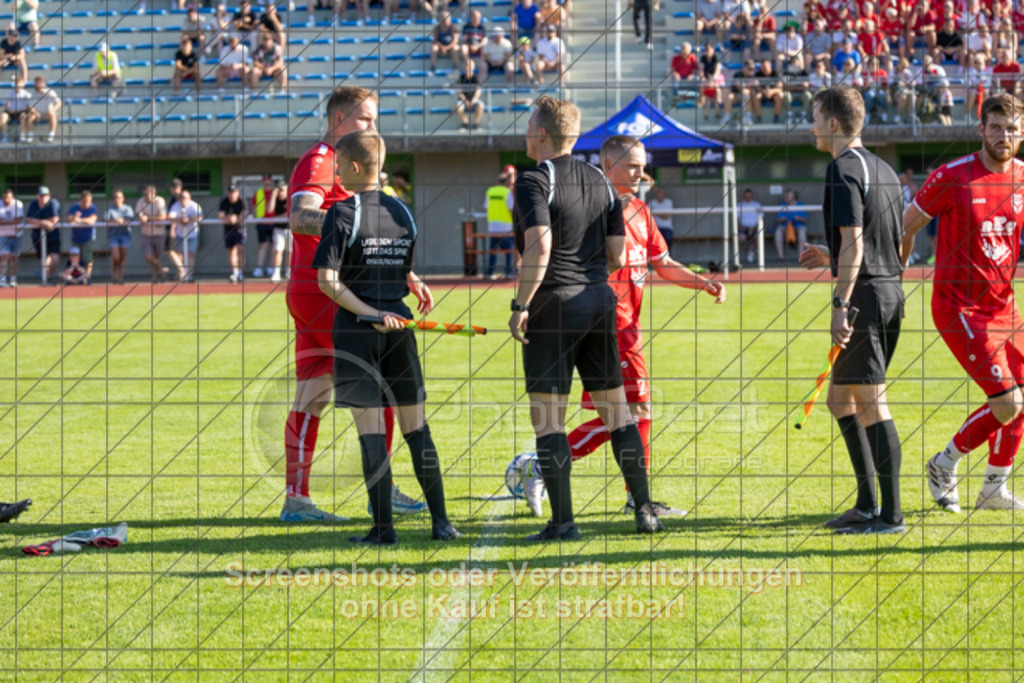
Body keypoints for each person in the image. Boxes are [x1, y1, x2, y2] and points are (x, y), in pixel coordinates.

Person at [531, 135, 727, 518]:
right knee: (634, 412)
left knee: (629, 414)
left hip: (629, 329)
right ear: (608, 165)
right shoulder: (591, 208)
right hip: (605, 325)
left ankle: (551, 467)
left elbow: (663, 263)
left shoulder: (639, 209)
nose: (641, 173)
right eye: (632, 166)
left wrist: (702, 283)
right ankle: (622, 493)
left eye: (642, 166)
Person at [508, 95, 663, 540]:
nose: (526, 134)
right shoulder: (600, 179)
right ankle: (644, 512)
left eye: (529, 127)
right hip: (599, 301)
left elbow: (540, 247)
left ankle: (563, 524)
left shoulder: (534, 179)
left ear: (542, 133)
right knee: (619, 413)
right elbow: (617, 254)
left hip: (554, 303)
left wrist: (521, 305)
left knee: (548, 419)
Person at [284, 86, 427, 523]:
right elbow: (300, 215)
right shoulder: (324, 159)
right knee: (381, 385)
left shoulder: (336, 162)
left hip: (313, 289)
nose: (372, 126)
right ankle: (381, 492)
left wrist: (402, 272)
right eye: (365, 118)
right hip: (330, 292)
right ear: (339, 119)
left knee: (312, 395)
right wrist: (354, 224)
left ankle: (296, 500)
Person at [313, 131, 460, 545]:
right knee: (417, 429)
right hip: (402, 328)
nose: (336, 172)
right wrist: (411, 281)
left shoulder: (342, 212)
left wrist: (370, 312)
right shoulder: (402, 210)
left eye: (339, 166)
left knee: (372, 434)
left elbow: (327, 281)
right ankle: (442, 523)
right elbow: (395, 263)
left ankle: (383, 530)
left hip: (358, 332)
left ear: (354, 166)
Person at [902, 93, 1024, 512]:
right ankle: (943, 463)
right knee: (1008, 402)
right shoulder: (953, 176)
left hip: (1004, 307)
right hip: (959, 309)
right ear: (981, 130)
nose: (1004, 135)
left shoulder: (1022, 177)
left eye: (1012, 128)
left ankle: (993, 490)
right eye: (996, 127)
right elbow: (906, 226)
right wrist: (895, 276)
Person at [798, 86, 906, 534]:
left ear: (833, 123)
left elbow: (857, 244)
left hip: (864, 298)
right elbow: (889, 241)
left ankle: (891, 516)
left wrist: (841, 304)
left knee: (871, 403)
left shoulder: (841, 169)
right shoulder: (884, 168)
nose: (812, 127)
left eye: (815, 118)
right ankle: (866, 505)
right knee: (839, 399)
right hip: (888, 290)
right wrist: (832, 254)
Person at [484, 165, 516, 279]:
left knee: (492, 252)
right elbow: (511, 208)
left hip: (493, 227)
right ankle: (508, 273)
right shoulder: (507, 192)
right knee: (508, 252)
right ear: (506, 181)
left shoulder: (490, 191)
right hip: (506, 227)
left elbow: (486, 207)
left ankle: (489, 273)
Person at [168, 189, 203, 282]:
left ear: (189, 198)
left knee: (191, 254)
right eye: (181, 197)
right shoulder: (176, 205)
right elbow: (171, 216)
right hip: (180, 234)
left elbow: (200, 217)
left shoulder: (194, 206)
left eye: (184, 197)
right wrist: (180, 219)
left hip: (192, 234)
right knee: (181, 255)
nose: (182, 199)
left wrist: (189, 219)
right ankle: (183, 274)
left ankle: (189, 276)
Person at [26, 185, 60, 281]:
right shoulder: (33, 204)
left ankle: (48, 276)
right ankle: (46, 279)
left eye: (45, 195)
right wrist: (44, 222)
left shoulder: (53, 203)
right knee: (44, 258)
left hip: (53, 235)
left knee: (55, 258)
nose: (43, 197)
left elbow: (54, 220)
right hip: (38, 235)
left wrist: (38, 222)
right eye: (41, 195)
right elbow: (29, 219)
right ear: (37, 196)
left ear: (49, 195)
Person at [136, 185, 168, 282]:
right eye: (144, 194)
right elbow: (139, 215)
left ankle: (155, 277)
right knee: (148, 256)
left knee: (157, 257)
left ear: (153, 194)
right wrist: (142, 218)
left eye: (147, 194)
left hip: (158, 233)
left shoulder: (160, 201)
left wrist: (149, 219)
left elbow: (163, 217)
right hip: (146, 233)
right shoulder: (141, 201)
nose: (145, 196)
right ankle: (161, 269)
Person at [67, 190, 98, 284]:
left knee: (87, 258)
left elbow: (92, 220)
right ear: (81, 200)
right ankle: (77, 278)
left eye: (88, 201)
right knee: (75, 258)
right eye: (85, 201)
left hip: (88, 238)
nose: (87, 203)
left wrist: (79, 220)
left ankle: (87, 277)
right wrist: (74, 218)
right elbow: (69, 218)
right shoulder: (74, 207)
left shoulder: (92, 208)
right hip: (76, 237)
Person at [219, 184, 247, 283]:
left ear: (237, 193)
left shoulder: (242, 201)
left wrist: (237, 219)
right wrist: (229, 218)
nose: (232, 195)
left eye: (234, 192)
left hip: (240, 229)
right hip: (228, 229)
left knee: (240, 249)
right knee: (231, 251)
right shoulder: (224, 201)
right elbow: (220, 214)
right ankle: (235, 272)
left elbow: (245, 213)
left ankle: (240, 272)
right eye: (230, 192)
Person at [106, 189, 134, 284]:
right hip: (113, 235)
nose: (116, 199)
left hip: (125, 235)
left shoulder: (127, 208)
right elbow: (105, 219)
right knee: (116, 257)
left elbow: (130, 219)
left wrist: (123, 220)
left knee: (122, 257)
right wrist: (115, 220)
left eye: (118, 197)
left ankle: (120, 277)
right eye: (114, 197)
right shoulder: (110, 209)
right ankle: (113, 274)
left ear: (122, 198)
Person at [252, 173, 277, 277]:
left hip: (274, 223)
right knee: (262, 245)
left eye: (268, 181)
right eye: (265, 181)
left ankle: (271, 267)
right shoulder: (258, 193)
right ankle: (259, 267)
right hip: (262, 223)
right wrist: (256, 219)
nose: (267, 183)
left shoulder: (275, 192)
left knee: (273, 246)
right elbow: (254, 207)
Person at [1, 75, 38, 143]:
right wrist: (7, 107)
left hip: (21, 112)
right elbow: (7, 105)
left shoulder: (27, 95)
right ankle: (5, 136)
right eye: (16, 84)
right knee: (2, 116)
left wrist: (35, 113)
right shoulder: (10, 93)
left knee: (23, 116)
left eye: (19, 84)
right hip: (11, 112)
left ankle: (22, 136)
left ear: (23, 85)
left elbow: (29, 106)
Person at [0, 187, 23, 287]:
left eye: (8, 198)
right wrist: (10, 222)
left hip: (16, 235)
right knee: (4, 256)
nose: (6, 200)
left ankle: (13, 279)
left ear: (12, 197)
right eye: (4, 198)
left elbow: (18, 220)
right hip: (2, 235)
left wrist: (4, 222)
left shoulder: (17, 204)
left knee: (14, 257)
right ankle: (2, 279)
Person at [774, 189, 806, 259]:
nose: (786, 198)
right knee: (778, 231)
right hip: (785, 225)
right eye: (785, 196)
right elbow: (777, 219)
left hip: (798, 225)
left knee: (802, 232)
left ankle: (800, 256)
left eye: (787, 196)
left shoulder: (799, 204)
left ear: (793, 197)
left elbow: (805, 219)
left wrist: (798, 218)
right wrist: (782, 219)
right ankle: (781, 257)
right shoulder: (783, 205)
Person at [455, 59, 485, 131]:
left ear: (473, 67)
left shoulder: (476, 78)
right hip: (463, 100)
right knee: (458, 107)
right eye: (467, 65)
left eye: (471, 66)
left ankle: (475, 124)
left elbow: (478, 91)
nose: (469, 68)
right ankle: (465, 124)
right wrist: (466, 101)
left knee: (481, 105)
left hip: (474, 99)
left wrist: (473, 100)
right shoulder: (461, 77)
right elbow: (460, 92)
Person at [30, 77, 60, 143]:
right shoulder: (33, 93)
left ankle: (51, 135)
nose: (36, 85)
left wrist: (53, 109)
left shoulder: (50, 92)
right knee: (29, 117)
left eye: (37, 83)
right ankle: (30, 136)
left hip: (47, 114)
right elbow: (31, 106)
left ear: (42, 83)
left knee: (52, 115)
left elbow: (58, 102)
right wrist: (35, 112)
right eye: (35, 83)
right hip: (37, 114)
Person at [738, 187, 763, 262]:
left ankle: (752, 251)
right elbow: (736, 218)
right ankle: (752, 249)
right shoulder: (740, 205)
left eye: (749, 196)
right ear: (744, 196)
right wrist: (740, 226)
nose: (748, 198)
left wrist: (756, 227)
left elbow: (762, 218)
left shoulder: (757, 204)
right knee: (741, 237)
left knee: (758, 236)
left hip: (755, 227)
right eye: (746, 196)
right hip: (743, 228)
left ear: (752, 196)